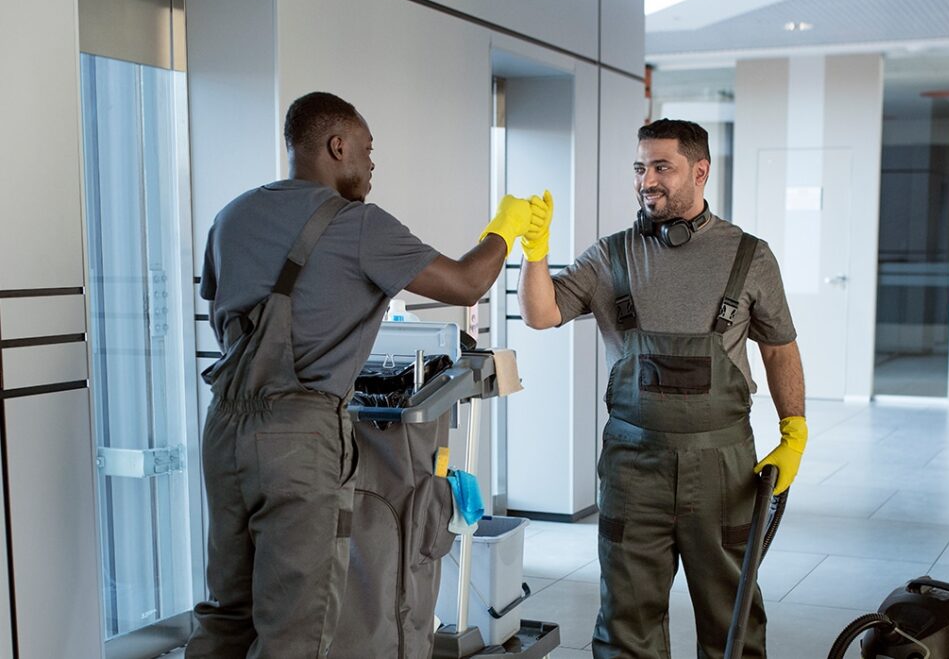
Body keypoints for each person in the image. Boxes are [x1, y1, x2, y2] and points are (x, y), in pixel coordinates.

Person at [187, 91, 549, 658]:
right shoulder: (358, 225)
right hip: (299, 439)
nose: (373, 164)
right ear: (337, 146)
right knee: (295, 627)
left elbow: (226, 317)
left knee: (226, 613)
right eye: (368, 150)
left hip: (225, 429)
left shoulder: (231, 216)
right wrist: (504, 231)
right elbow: (464, 283)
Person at [518, 119, 808, 658]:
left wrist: (795, 429)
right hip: (634, 467)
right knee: (626, 621)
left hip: (723, 469)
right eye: (639, 167)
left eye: (661, 167)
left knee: (733, 618)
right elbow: (539, 313)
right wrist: (535, 251)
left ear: (700, 172)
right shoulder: (611, 255)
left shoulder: (750, 256)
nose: (646, 180)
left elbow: (779, 347)